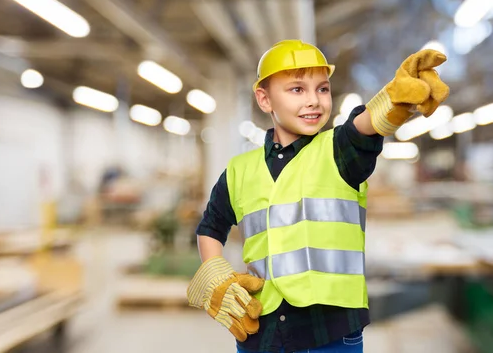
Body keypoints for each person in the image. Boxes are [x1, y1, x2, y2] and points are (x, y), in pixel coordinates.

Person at [187, 40, 449, 353]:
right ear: (264, 98)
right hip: (261, 331)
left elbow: (363, 127)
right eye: (297, 89)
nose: (314, 100)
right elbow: (210, 229)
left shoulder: (338, 151)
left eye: (322, 89)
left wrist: (394, 100)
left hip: (330, 331)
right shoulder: (239, 170)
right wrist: (219, 278)